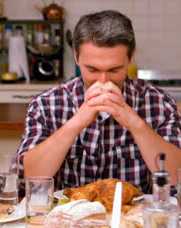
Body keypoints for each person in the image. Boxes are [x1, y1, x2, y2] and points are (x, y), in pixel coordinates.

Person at [14, 10, 181, 194]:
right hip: (66, 220)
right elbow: (29, 178)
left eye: (114, 70)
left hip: (134, 219)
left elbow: (175, 177)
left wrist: (135, 123)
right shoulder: (46, 105)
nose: (103, 81)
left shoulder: (160, 104)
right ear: (76, 57)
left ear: (131, 56)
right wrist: (76, 123)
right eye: (92, 70)